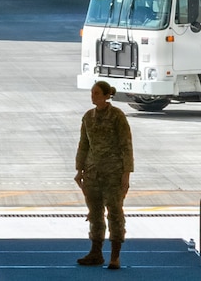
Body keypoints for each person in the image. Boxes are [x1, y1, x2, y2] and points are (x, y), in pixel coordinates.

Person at [74, 80, 134, 270]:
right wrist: (79, 170)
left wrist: (126, 174)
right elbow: (84, 144)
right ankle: (96, 252)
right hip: (92, 173)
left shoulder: (117, 116)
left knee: (115, 213)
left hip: (113, 173)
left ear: (107, 95)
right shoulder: (88, 117)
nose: (93, 96)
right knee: (95, 214)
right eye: (92, 93)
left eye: (97, 93)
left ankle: (115, 255)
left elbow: (126, 145)